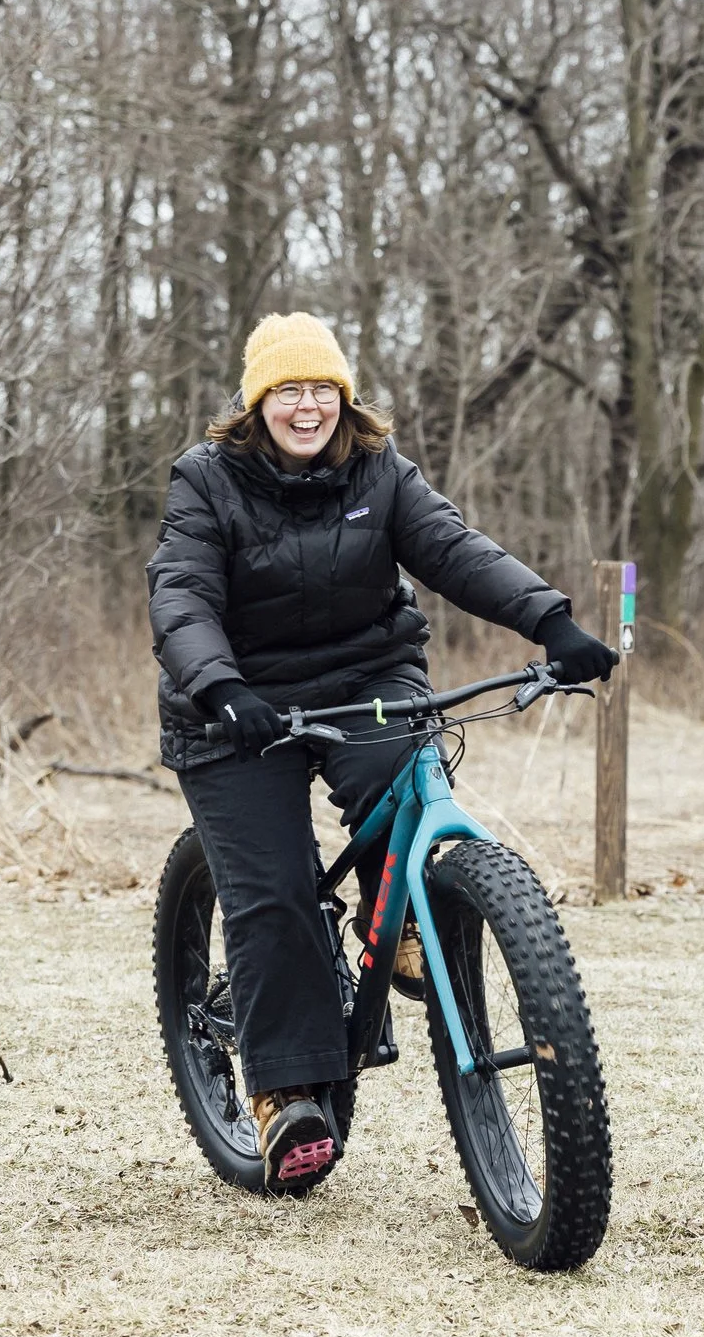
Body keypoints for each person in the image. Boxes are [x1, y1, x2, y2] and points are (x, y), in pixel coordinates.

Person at [148, 312, 617, 1189]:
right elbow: (180, 596)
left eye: (322, 389)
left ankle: (398, 916)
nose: (307, 405)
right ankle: (286, 1095)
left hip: (366, 674)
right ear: (257, 404)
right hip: (236, 705)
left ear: (344, 399)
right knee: (275, 890)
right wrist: (219, 687)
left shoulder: (380, 473)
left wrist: (551, 619)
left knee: (402, 775)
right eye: (288, 390)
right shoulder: (205, 482)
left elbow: (455, 550)